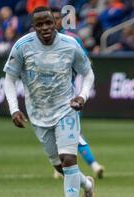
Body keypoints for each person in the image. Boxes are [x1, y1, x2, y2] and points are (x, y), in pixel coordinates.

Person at [3, 6, 98, 197]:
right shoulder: (22, 46)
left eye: (49, 23)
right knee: (59, 166)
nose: (45, 28)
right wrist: (14, 109)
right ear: (34, 27)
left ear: (56, 23)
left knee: (68, 160)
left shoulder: (70, 45)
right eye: (40, 24)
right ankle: (87, 184)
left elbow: (88, 73)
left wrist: (82, 96)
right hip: (38, 114)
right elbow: (9, 78)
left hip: (66, 109)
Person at [51, 7, 105, 179]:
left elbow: (86, 65)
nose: (54, 22)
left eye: (57, 19)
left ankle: (92, 165)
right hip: (47, 98)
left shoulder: (72, 40)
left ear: (61, 21)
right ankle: (64, 165)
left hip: (67, 95)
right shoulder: (37, 41)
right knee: (62, 133)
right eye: (50, 19)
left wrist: (82, 92)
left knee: (71, 133)